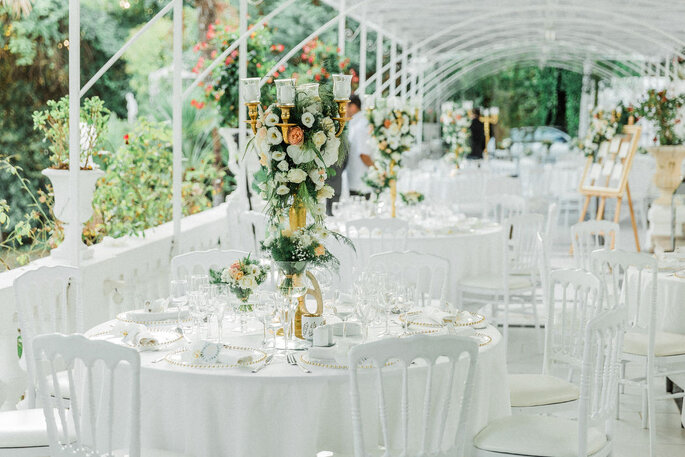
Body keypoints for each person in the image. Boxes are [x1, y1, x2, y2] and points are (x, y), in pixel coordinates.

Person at [344, 93, 374, 198]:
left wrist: (376, 170)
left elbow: (364, 154)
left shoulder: (361, 125)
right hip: (355, 179)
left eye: (345, 106)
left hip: (361, 181)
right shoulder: (355, 123)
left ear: (353, 107)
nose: (343, 110)